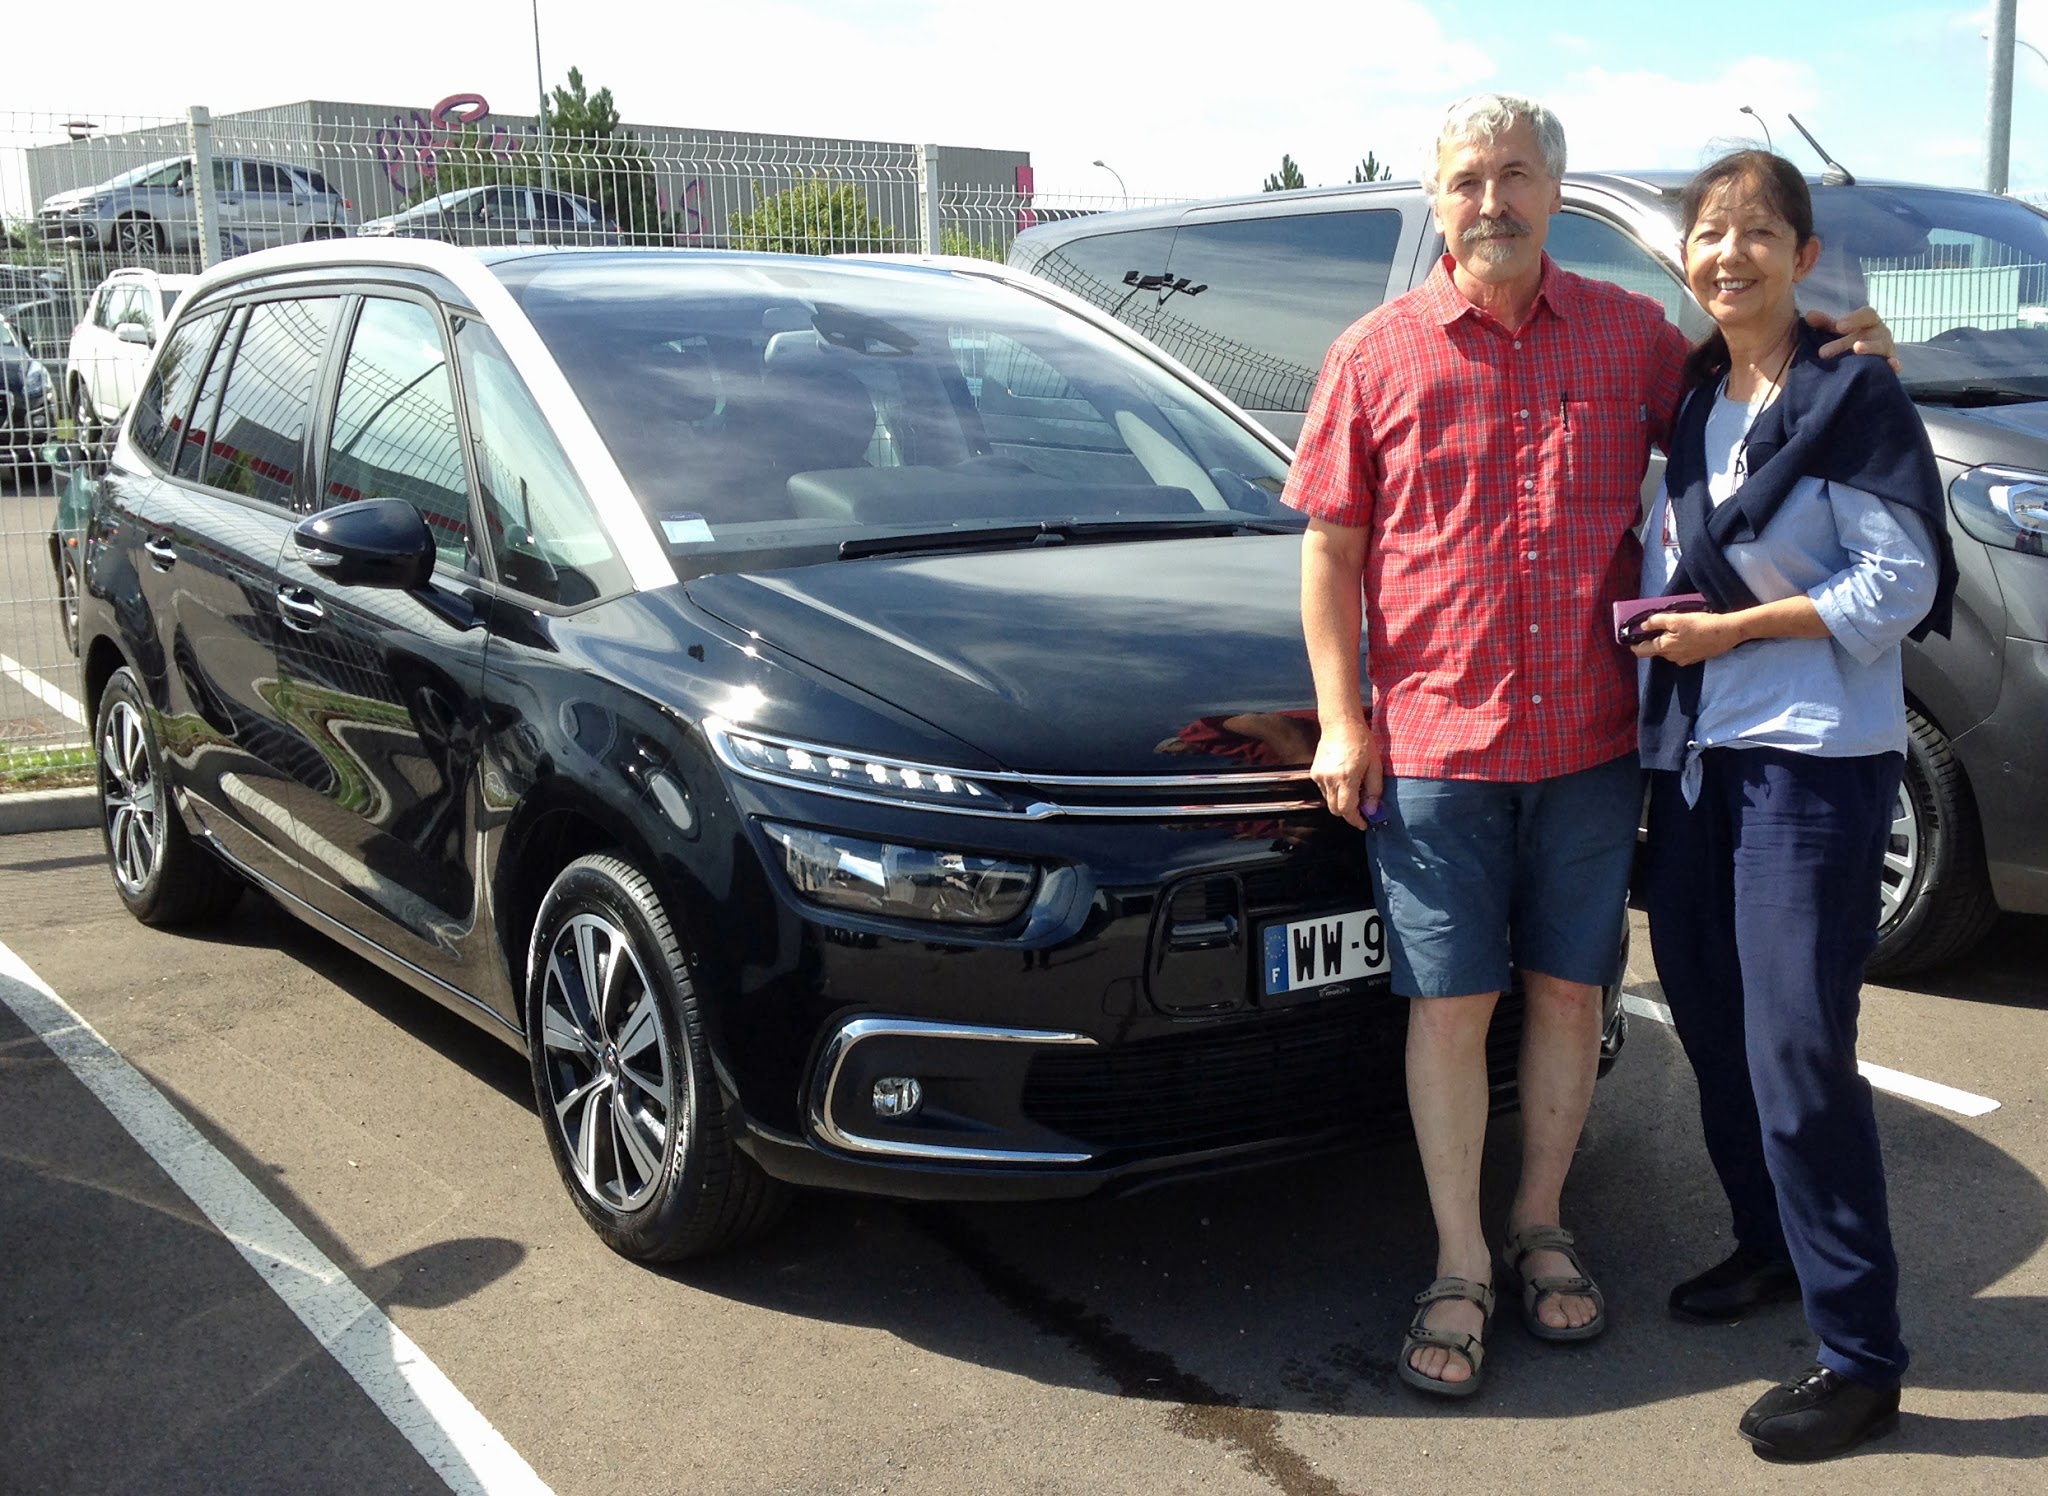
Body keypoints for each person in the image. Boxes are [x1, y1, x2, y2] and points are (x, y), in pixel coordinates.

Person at [1284, 94, 1893, 1399]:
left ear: (1555, 194)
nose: (1491, 200)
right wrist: (1343, 718)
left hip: (1592, 743)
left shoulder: (1632, 341)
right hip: (1436, 747)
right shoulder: (1372, 356)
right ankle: (1460, 1261)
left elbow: (1753, 400)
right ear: (1436, 201)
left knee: (1570, 994)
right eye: (1466, 180)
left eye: (1516, 175)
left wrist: (1844, 345)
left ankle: (1541, 1223)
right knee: (1451, 1007)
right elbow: (1330, 552)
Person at [1631, 149, 1951, 1461]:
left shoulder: (1851, 391)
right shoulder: (1692, 395)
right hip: (1696, 756)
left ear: (1804, 256)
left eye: (1759, 233)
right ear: (1687, 256)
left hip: (1812, 762)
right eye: (1710, 233)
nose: (1731, 254)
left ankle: (1862, 1357)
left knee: (1799, 1048)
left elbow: (1902, 582)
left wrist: (1737, 630)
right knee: (1710, 1015)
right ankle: (1770, 1244)